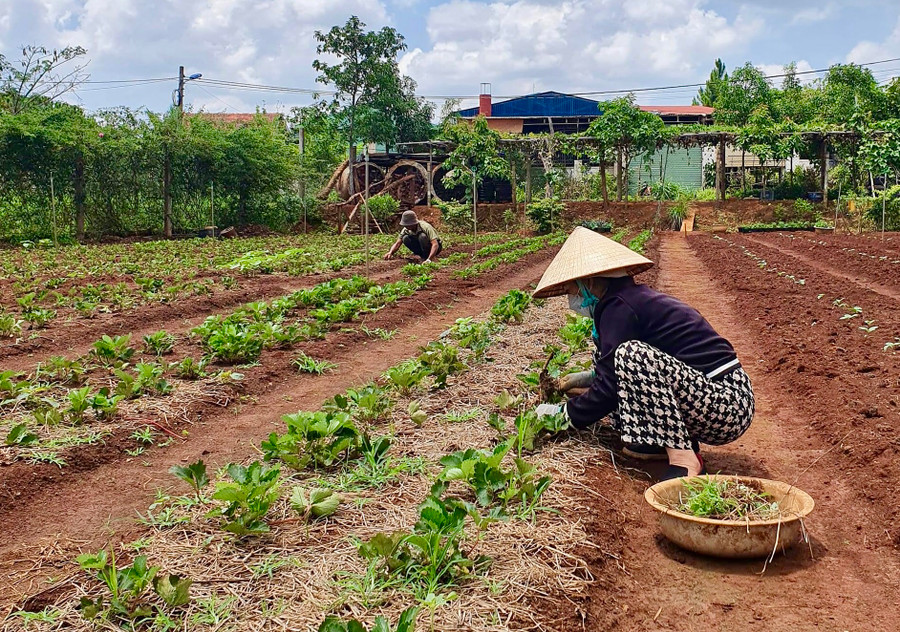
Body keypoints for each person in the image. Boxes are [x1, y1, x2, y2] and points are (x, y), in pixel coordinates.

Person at [533, 227, 754, 480]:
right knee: (615, 364)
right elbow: (613, 376)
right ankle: (658, 443)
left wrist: (563, 416)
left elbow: (610, 387)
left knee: (629, 355)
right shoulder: (626, 301)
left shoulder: (620, 306)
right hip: (709, 396)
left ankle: (685, 459)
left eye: (572, 289)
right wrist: (588, 379)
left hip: (728, 404)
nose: (572, 298)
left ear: (589, 282)